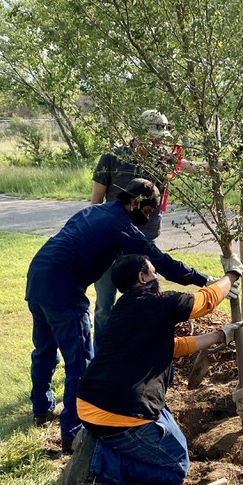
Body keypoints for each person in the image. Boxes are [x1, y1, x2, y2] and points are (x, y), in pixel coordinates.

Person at [25, 178, 212, 454]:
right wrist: (202, 279)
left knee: (44, 348)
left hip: (38, 275)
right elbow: (157, 260)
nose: (146, 219)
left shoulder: (94, 211)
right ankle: (72, 435)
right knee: (79, 361)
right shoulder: (120, 224)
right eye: (147, 212)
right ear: (135, 202)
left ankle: (42, 408)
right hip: (63, 288)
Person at [61, 252, 243, 485]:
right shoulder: (159, 303)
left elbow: (171, 346)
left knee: (167, 424)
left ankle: (100, 440)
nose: (156, 276)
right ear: (141, 276)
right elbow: (205, 302)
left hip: (91, 403)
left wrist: (218, 336)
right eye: (153, 271)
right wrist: (232, 275)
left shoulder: (123, 308)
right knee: (177, 467)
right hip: (118, 413)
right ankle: (98, 459)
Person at [91, 109, 214, 349]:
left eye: (161, 139)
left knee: (146, 301)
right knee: (105, 305)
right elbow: (96, 201)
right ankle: (101, 356)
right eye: (154, 138)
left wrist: (220, 165)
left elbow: (190, 167)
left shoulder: (163, 158)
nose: (159, 144)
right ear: (139, 134)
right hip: (110, 244)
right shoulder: (112, 157)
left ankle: (137, 350)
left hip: (144, 243)